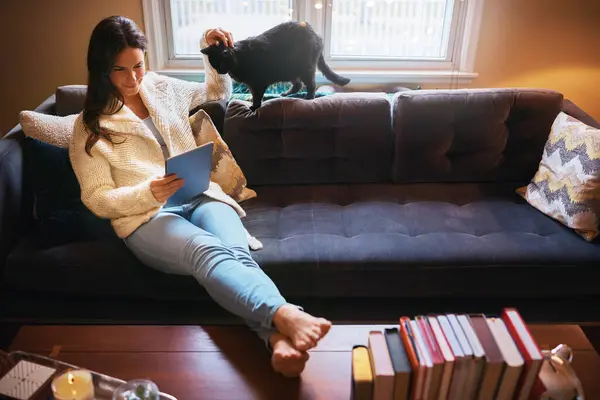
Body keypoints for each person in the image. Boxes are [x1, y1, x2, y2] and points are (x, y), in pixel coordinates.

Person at [69, 15, 331, 377]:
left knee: (236, 252)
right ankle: (286, 314)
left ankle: (277, 341)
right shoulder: (89, 126)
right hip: (147, 215)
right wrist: (146, 192)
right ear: (101, 70)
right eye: (120, 70)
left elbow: (218, 93)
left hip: (199, 195)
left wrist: (211, 51)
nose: (133, 79)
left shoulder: (159, 88)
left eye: (139, 66)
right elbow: (96, 197)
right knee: (206, 251)